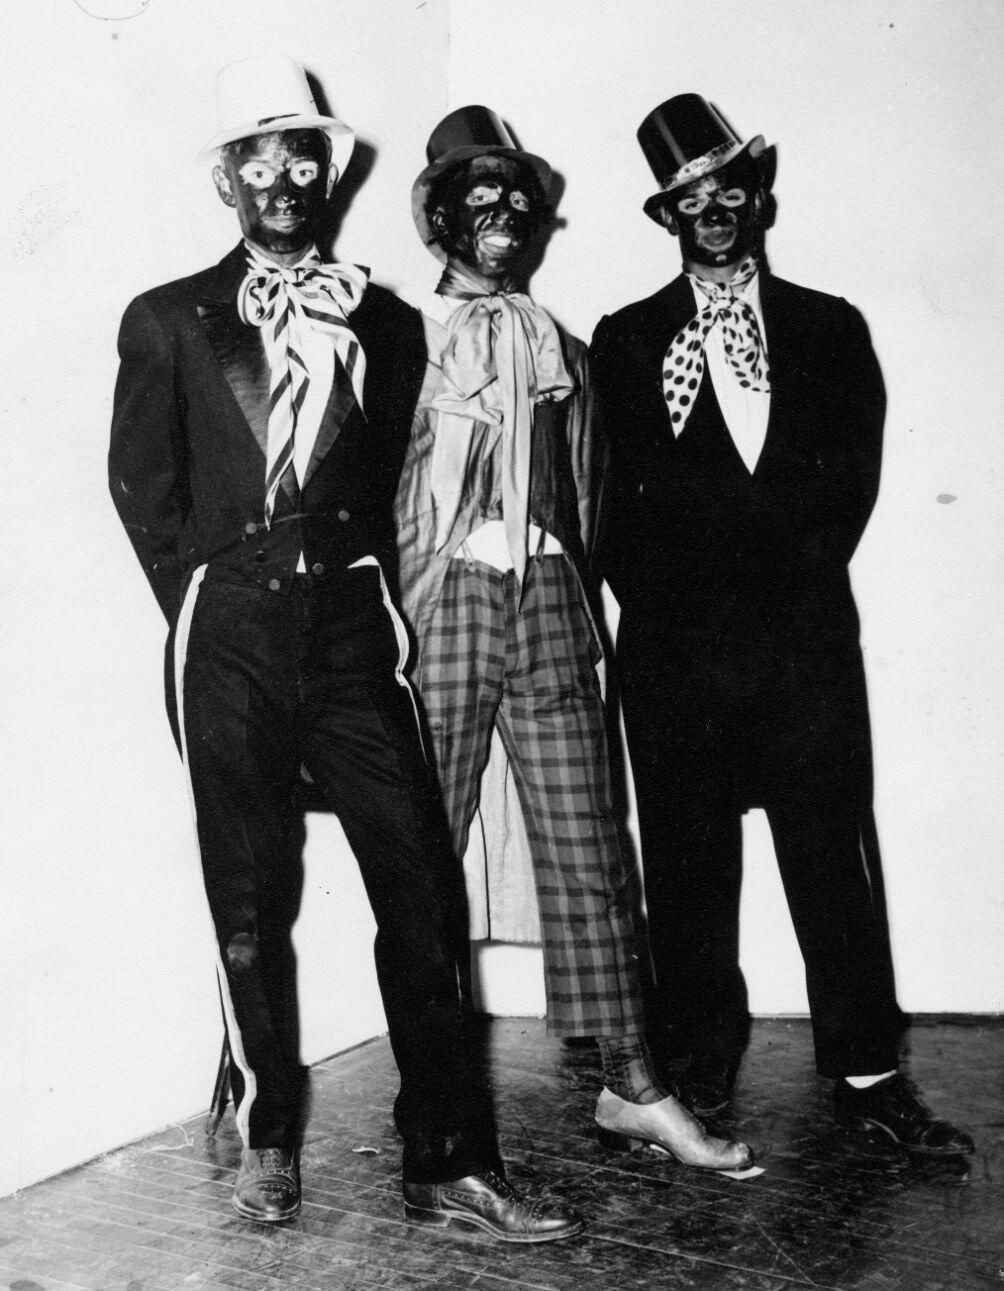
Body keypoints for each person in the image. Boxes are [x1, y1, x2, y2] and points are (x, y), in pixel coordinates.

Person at [108, 54, 585, 1241]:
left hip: (350, 635)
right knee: (248, 892)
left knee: (419, 878)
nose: (281, 179)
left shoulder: (382, 318)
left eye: (300, 158)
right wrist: (217, 597)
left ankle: (446, 1163)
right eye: (257, 160)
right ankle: (270, 1130)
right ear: (226, 181)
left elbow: (384, 484)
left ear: (326, 173)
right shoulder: (168, 318)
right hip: (227, 632)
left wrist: (341, 590)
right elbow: (143, 492)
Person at [589, 93, 973, 1155]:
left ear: (759, 198)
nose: (712, 211)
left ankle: (867, 1072)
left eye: (728, 190)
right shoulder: (625, 340)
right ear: (664, 217)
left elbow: (851, 484)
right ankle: (697, 1068)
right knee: (686, 866)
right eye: (689, 199)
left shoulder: (828, 326)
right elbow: (604, 507)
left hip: (803, 647)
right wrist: (678, 608)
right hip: (674, 656)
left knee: (830, 857)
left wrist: (771, 595)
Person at [394, 105, 751, 1173]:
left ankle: (633, 1085)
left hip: (550, 595)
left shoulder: (568, 349)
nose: (504, 217)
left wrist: (569, 582)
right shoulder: (399, 340)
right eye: (480, 200)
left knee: (591, 845)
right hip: (443, 604)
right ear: (438, 220)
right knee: (417, 852)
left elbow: (589, 491)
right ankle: (433, 1102)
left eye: (519, 201)